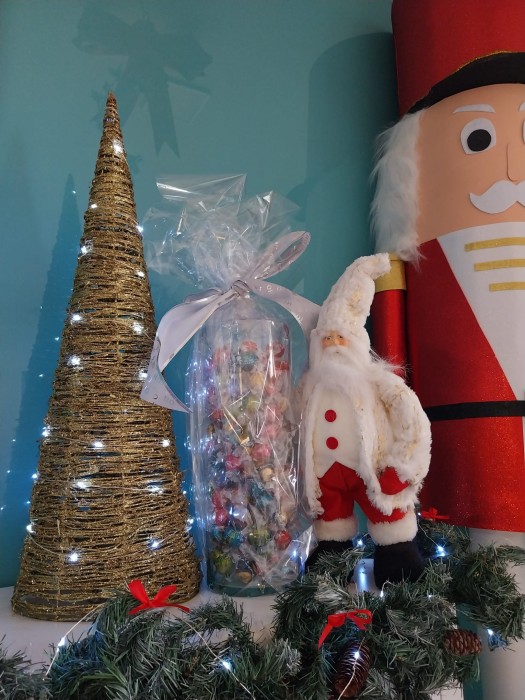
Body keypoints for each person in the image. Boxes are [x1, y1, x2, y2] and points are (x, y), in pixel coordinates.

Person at [371, 0, 525, 535]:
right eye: (478, 138)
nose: (511, 167)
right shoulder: (406, 262)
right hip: (457, 457)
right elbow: (391, 363)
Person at [299, 254, 431, 587]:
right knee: (330, 518)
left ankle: (397, 554)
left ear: (357, 342)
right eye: (326, 339)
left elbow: (413, 423)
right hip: (325, 475)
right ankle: (334, 555)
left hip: (371, 469)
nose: (333, 345)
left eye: (340, 337)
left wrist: (402, 467)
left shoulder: (379, 383)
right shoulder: (308, 388)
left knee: (388, 512)